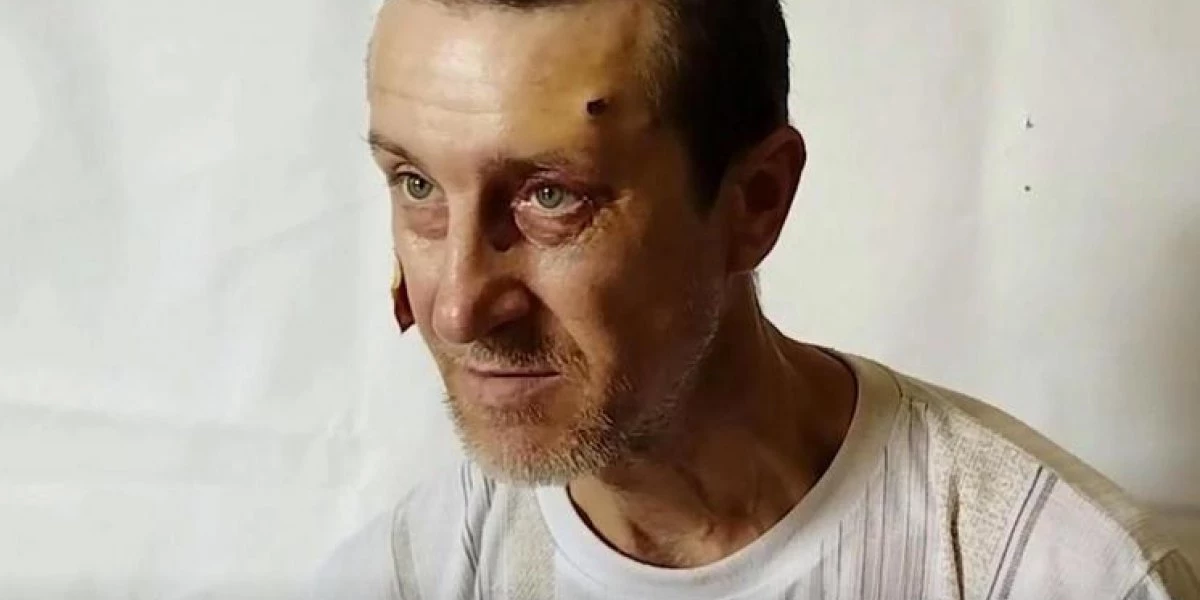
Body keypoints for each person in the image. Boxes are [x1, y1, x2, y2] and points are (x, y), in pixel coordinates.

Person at [315, 0, 1200, 597]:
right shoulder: (415, 570)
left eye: (551, 196)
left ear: (756, 202)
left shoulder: (1061, 574)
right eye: (417, 186)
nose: (457, 308)